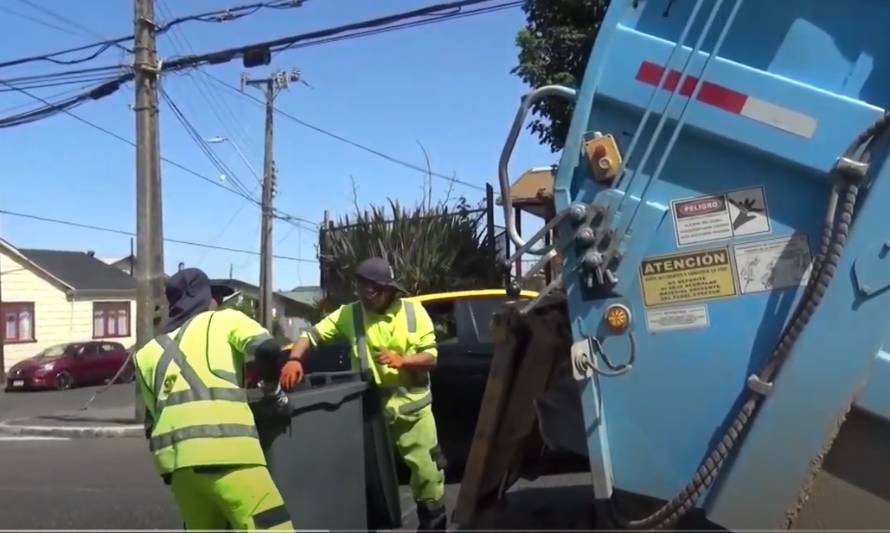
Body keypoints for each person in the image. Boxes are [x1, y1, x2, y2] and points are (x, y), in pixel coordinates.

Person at [282, 257, 448, 531]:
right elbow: (311, 335)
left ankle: (433, 524)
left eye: (370, 290)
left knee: (428, 475)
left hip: (413, 414)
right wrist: (295, 359)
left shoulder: (413, 312)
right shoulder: (350, 314)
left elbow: (431, 358)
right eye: (360, 289)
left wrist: (403, 360)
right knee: (366, 480)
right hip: (371, 415)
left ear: (386, 289)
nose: (365, 296)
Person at [134, 268, 294, 532]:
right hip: (230, 455)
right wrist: (273, 393)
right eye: (214, 297)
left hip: (180, 470)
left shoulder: (147, 353)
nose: (217, 303)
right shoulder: (223, 320)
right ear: (205, 299)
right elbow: (267, 348)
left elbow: (153, 421)